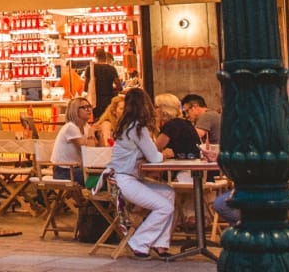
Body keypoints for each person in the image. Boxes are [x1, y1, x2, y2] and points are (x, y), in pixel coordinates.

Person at [108, 88, 174, 260]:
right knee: (165, 206)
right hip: (124, 180)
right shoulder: (138, 128)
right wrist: (165, 154)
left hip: (122, 177)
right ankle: (139, 242)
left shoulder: (127, 126)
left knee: (168, 193)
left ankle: (160, 243)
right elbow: (154, 157)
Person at [53, 97, 97, 184]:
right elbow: (88, 152)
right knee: (99, 177)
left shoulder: (86, 126)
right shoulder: (70, 127)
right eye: (84, 107)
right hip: (64, 171)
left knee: (106, 174)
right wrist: (92, 133)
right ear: (75, 110)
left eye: (89, 106)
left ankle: (95, 197)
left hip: (76, 169)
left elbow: (95, 149)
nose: (88, 110)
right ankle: (95, 197)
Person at [155, 94, 202, 163]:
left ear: (163, 109)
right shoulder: (183, 123)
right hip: (193, 167)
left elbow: (154, 150)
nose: (153, 110)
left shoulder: (172, 125)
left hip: (182, 169)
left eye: (156, 107)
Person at [90, 49, 123, 119]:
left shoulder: (91, 68)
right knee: (109, 119)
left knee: (97, 121)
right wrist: (112, 88)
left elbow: (85, 88)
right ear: (105, 57)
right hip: (109, 101)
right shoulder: (112, 69)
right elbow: (119, 87)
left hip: (96, 102)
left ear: (95, 57)